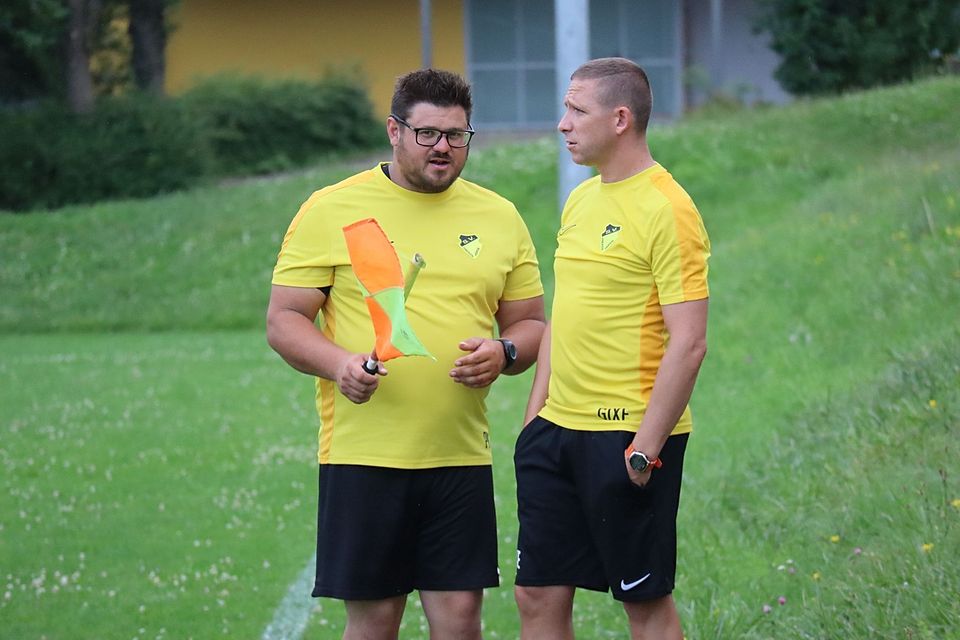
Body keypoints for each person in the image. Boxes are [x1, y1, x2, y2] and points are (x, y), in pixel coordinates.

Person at [266, 69, 546, 640]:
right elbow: (284, 320)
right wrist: (339, 364)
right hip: (364, 457)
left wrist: (505, 350)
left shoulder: (500, 216)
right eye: (428, 133)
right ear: (394, 131)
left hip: (459, 457)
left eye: (457, 135)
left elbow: (532, 324)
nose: (443, 146)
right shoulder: (331, 208)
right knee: (374, 621)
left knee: (462, 619)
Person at [513, 57, 711, 640]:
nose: (562, 124)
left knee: (643, 605)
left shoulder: (668, 208)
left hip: (627, 439)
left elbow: (691, 341)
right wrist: (535, 420)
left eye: (577, 110)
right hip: (556, 434)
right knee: (536, 594)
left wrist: (644, 450)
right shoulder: (580, 200)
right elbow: (562, 320)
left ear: (620, 118)